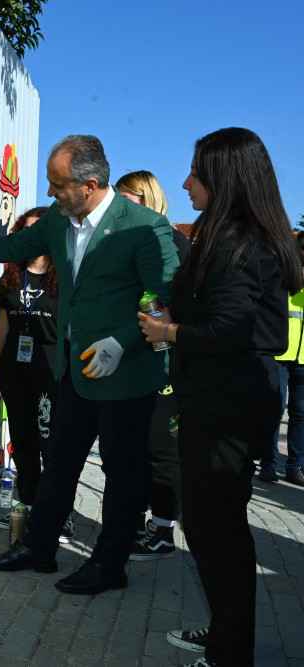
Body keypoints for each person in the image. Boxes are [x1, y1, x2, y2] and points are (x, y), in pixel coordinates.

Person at [0, 135, 179, 595]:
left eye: (59, 186)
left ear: (90, 184)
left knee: (121, 475)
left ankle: (109, 565)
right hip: (76, 371)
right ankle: (39, 548)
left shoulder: (143, 227)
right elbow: (8, 247)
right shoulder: (60, 220)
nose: (51, 193)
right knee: (59, 463)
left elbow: (163, 297)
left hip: (126, 375)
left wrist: (121, 343)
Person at [138, 128, 302, 666]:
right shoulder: (238, 234)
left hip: (226, 405)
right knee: (214, 524)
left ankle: (231, 652)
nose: (185, 182)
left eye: (195, 172)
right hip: (226, 399)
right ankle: (228, 635)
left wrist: (170, 334)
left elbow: (234, 328)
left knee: (217, 530)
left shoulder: (236, 240)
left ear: (224, 178)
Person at [115, 170, 190, 561]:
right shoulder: (132, 239)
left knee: (162, 448)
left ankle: (163, 531)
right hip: (136, 360)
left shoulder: (173, 241)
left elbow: (184, 304)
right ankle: (141, 523)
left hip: (167, 363)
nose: (118, 205)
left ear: (146, 199)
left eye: (127, 198)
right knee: (138, 447)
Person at [0, 206, 72, 541]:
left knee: (52, 441)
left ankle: (59, 513)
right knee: (22, 440)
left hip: (51, 368)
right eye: (28, 230)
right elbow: (3, 326)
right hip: (14, 369)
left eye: (41, 230)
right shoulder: (11, 275)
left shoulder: (64, 273)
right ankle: (30, 505)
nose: (34, 236)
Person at [259, 228, 304, 487]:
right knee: (275, 409)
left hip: (303, 355)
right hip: (281, 351)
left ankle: (296, 465)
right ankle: (268, 462)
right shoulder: (284, 270)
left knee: (300, 413)